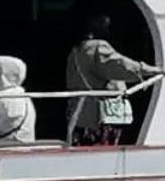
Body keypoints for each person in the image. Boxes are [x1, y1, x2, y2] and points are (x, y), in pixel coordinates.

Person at [65, 13, 159, 146]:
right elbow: (121, 66)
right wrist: (154, 70)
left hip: (79, 114)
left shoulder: (75, 51)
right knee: (104, 151)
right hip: (99, 118)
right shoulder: (98, 47)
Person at [0, 55, 36, 144]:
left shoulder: (4, 101)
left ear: (4, 75)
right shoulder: (24, 96)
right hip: (24, 148)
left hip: (6, 149)